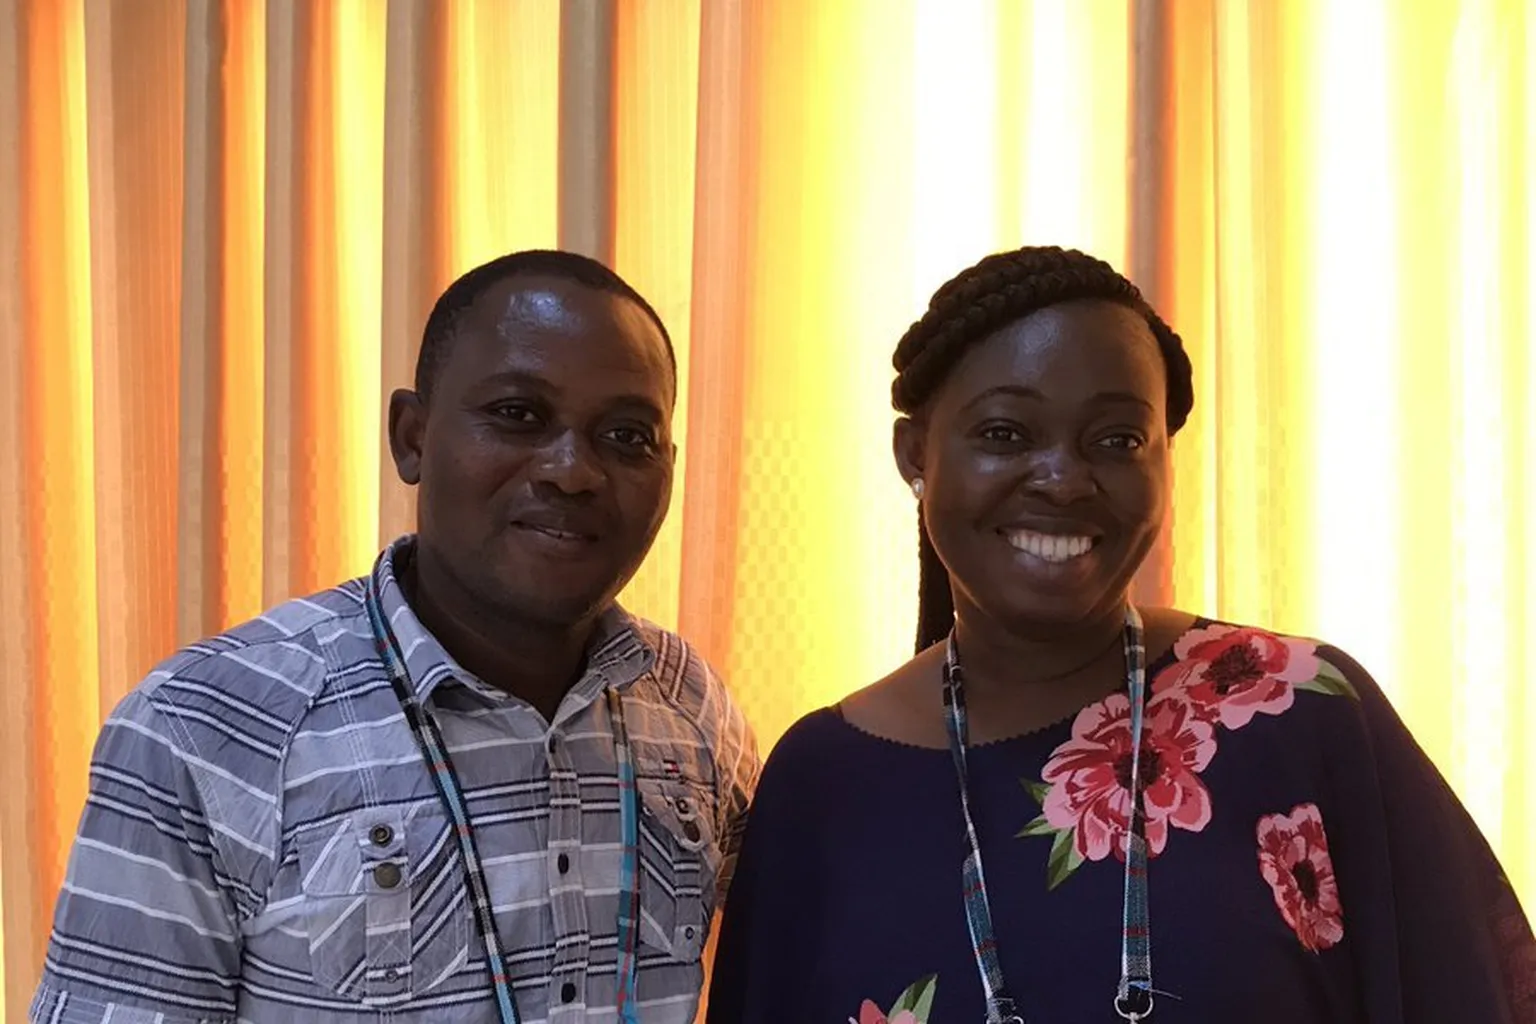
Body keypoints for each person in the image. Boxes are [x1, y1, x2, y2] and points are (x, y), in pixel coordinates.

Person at [706, 246, 1535, 1023]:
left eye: (1117, 440)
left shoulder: (1299, 710)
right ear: (914, 452)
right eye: (1006, 434)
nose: (1065, 479)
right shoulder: (822, 784)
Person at [33, 250, 759, 1024]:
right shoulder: (204, 728)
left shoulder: (691, 710)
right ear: (412, 437)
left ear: (670, 471)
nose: (572, 470)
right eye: (519, 414)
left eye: (626, 435)